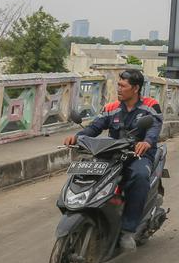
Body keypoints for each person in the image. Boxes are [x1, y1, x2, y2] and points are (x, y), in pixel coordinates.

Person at [64, 69, 163, 252]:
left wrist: (147, 142)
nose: (119, 89)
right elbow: (94, 127)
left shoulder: (150, 106)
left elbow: (154, 128)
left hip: (139, 155)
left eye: (123, 86)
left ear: (135, 88)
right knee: (88, 172)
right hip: (113, 154)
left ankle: (128, 230)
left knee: (140, 176)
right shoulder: (111, 107)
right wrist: (77, 137)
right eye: (118, 85)